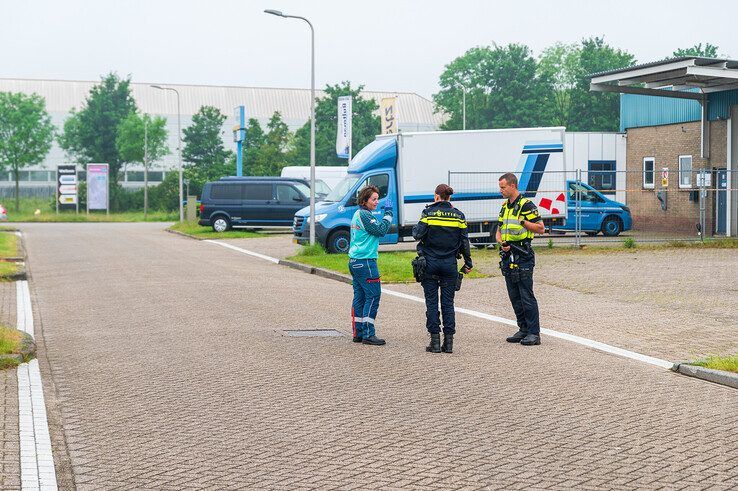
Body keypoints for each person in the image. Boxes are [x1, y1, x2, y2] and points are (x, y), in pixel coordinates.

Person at [412, 184, 473, 354]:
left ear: (437, 196)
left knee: (432, 302)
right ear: (449, 197)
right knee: (448, 304)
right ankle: (449, 343)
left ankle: (435, 343)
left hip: (430, 264)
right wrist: (468, 263)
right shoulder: (459, 216)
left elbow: (417, 234)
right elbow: (464, 242)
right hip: (449, 265)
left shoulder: (428, 213)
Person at [496, 172, 546, 346]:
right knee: (514, 295)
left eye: (503, 187)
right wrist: (502, 242)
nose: (500, 190)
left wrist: (524, 222)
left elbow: (541, 228)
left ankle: (534, 333)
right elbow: (499, 230)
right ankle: (523, 329)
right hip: (508, 255)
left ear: (513, 186)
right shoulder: (504, 206)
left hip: (523, 255)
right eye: (500, 187)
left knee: (526, 295)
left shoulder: (526, 205)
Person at [349, 185, 393, 346]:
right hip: (366, 261)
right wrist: (388, 213)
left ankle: (358, 333)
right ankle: (368, 333)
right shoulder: (365, 215)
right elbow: (381, 230)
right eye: (373, 199)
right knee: (373, 296)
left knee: (359, 297)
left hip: (354, 261)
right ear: (364, 200)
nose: (377, 202)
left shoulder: (356, 214)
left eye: (377, 198)